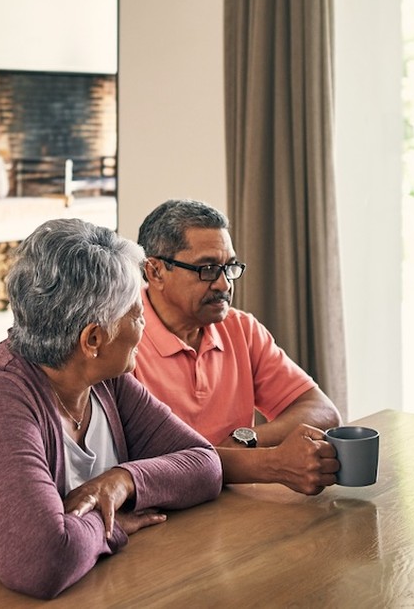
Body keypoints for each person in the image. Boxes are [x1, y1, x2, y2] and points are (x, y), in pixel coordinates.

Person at [0, 219, 222, 600]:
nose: (144, 324)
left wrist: (121, 482)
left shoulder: (106, 382)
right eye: (136, 314)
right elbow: (42, 563)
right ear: (93, 339)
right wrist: (111, 526)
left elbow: (204, 464)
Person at [132, 199, 342, 496]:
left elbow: (321, 411)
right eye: (207, 269)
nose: (224, 285)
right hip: (165, 518)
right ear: (154, 272)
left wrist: (246, 439)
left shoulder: (240, 328)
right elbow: (146, 464)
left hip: (240, 506)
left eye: (229, 268)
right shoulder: (122, 340)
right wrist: (269, 463)